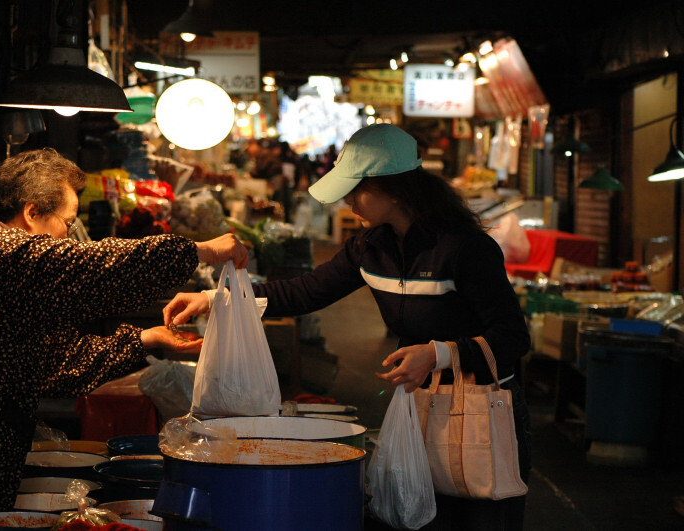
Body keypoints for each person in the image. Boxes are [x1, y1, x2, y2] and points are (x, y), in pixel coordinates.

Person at [164, 124, 531, 530]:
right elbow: (305, 292)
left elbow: (513, 336)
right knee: (418, 517)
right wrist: (217, 301)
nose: (350, 200)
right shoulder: (370, 247)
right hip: (419, 407)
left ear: (396, 188)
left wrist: (437, 353)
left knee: (478, 518)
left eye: (357, 189)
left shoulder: (465, 248)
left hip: (481, 412)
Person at [0, 148, 247, 530]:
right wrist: (199, 250)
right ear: (32, 213)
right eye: (68, 223)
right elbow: (95, 268)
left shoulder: (8, 271)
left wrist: (146, 339)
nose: (70, 237)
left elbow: (57, 364)